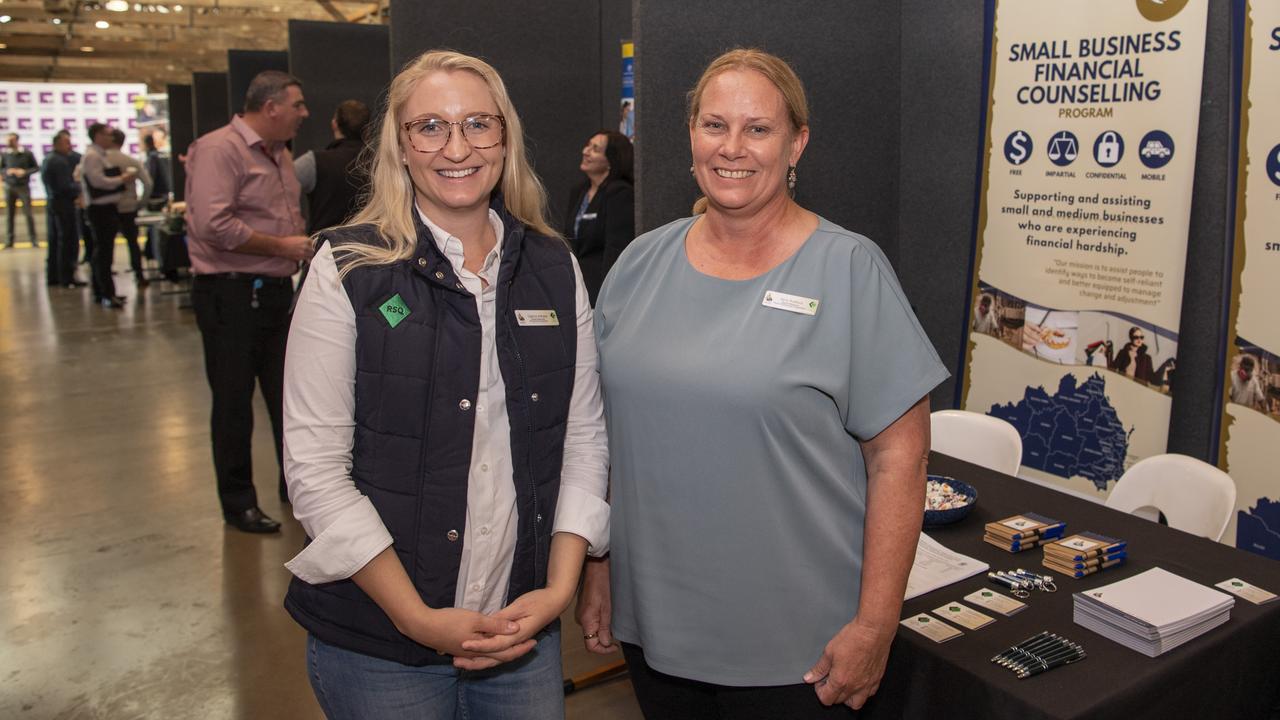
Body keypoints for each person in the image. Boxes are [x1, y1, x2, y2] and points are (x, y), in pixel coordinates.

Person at [578, 49, 949, 717]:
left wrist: (875, 625)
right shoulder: (640, 264)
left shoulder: (849, 270)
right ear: (690, 134)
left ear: (796, 142)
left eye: (759, 128)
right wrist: (600, 568)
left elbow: (901, 457)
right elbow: (603, 436)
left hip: (800, 644)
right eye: (714, 125)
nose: (733, 148)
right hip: (656, 620)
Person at [280, 50, 609, 719]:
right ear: (400, 146)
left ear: (505, 139)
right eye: (430, 126)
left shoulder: (550, 265)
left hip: (523, 630)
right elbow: (314, 473)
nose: (456, 147)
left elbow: (582, 438)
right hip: (380, 645)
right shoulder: (348, 269)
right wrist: (417, 617)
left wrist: (557, 592)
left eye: (478, 125)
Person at [185, 70, 313, 533]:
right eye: (297, 105)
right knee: (235, 402)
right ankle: (238, 502)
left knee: (289, 399)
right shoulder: (220, 149)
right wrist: (283, 247)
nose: (304, 114)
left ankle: (295, 490)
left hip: (275, 295)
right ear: (271, 106)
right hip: (231, 294)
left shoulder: (279, 156)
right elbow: (212, 225)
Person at [562, 130, 634, 303]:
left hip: (601, 291)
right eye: (588, 145)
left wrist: (608, 295)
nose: (585, 151)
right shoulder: (579, 191)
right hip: (575, 286)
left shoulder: (619, 193)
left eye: (595, 149)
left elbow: (615, 249)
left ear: (611, 160)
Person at [294, 99, 372, 234]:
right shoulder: (382, 163)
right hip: (372, 246)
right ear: (368, 130)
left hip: (324, 248)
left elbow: (278, 188)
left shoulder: (314, 162)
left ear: (334, 125)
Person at [80, 122, 135, 309]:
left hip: (105, 208)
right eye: (107, 134)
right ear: (97, 136)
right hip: (100, 210)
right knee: (103, 253)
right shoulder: (93, 157)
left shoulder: (97, 156)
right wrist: (121, 179)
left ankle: (105, 291)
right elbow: (98, 182)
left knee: (103, 252)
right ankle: (105, 293)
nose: (111, 138)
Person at [107, 128, 153, 288]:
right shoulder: (130, 161)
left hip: (106, 208)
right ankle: (139, 274)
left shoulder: (99, 160)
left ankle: (105, 280)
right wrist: (140, 203)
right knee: (132, 242)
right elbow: (148, 184)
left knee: (105, 244)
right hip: (128, 207)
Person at [40, 130, 85, 288]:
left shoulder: (50, 159)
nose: (70, 146)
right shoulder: (58, 162)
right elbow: (64, 187)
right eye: (67, 143)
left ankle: (55, 276)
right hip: (62, 205)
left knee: (56, 241)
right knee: (67, 241)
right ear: (58, 143)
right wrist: (80, 188)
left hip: (55, 204)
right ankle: (66, 277)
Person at [4, 132, 39, 248]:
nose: (9, 142)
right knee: (9, 215)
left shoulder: (26, 153)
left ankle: (33, 239)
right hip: (10, 186)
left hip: (23, 186)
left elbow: (35, 168)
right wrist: (7, 172)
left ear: (16, 140)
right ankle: (9, 240)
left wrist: (24, 172)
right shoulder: (5, 154)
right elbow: (2, 169)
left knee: (28, 214)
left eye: (11, 140)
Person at [143, 131, 171, 210]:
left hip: (156, 196)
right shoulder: (160, 155)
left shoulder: (152, 157)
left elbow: (150, 177)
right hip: (164, 194)